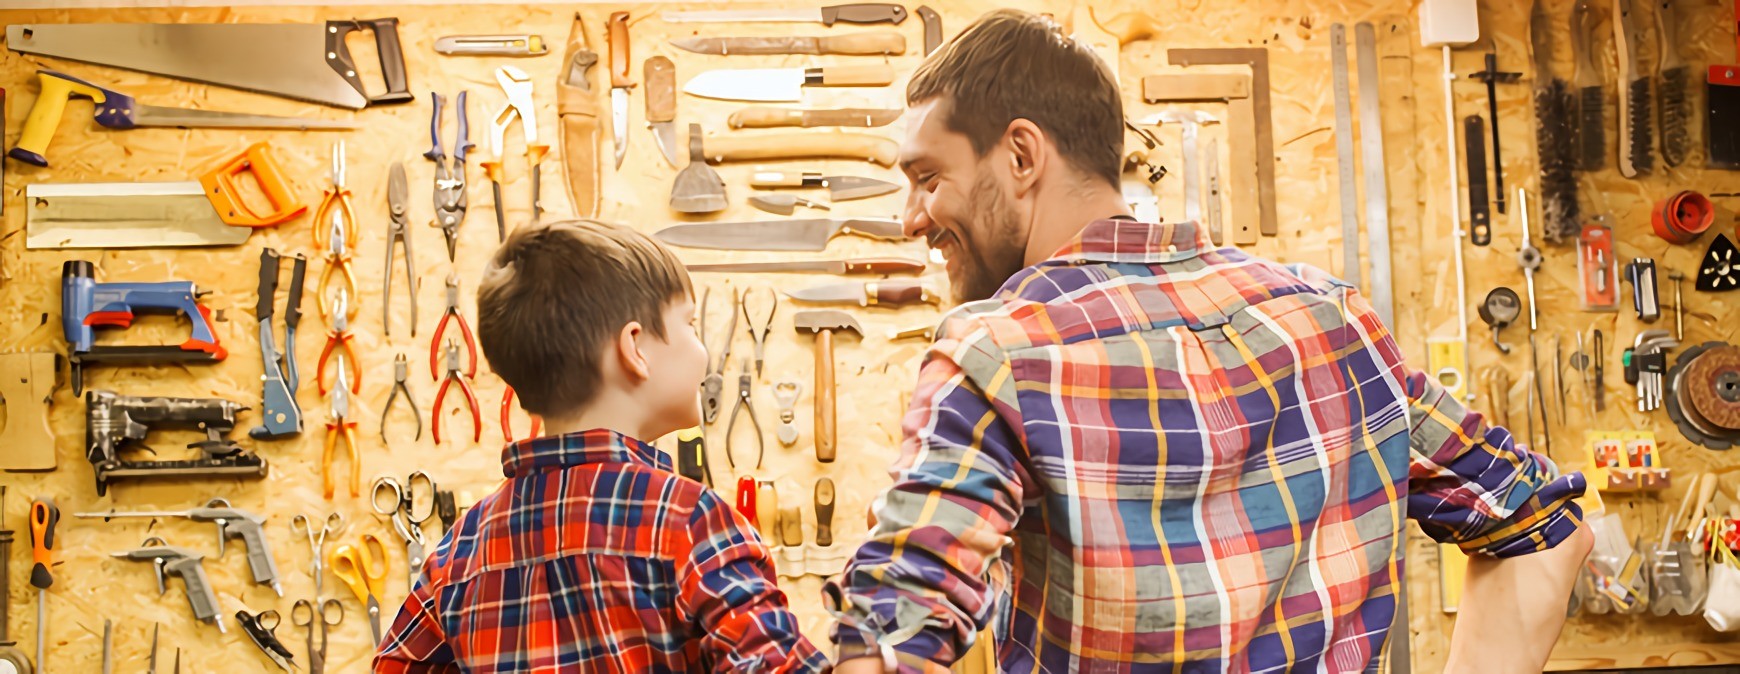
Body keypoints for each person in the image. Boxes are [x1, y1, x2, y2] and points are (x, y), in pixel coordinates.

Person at [828, 10, 1593, 674]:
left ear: (1021, 156)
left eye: (927, 177)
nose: (911, 217)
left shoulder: (995, 351)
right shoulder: (1329, 319)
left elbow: (895, 630)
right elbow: (1545, 528)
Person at [374, 220, 826, 673]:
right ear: (635, 348)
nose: (703, 347)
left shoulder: (459, 555)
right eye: (689, 323)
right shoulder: (688, 522)